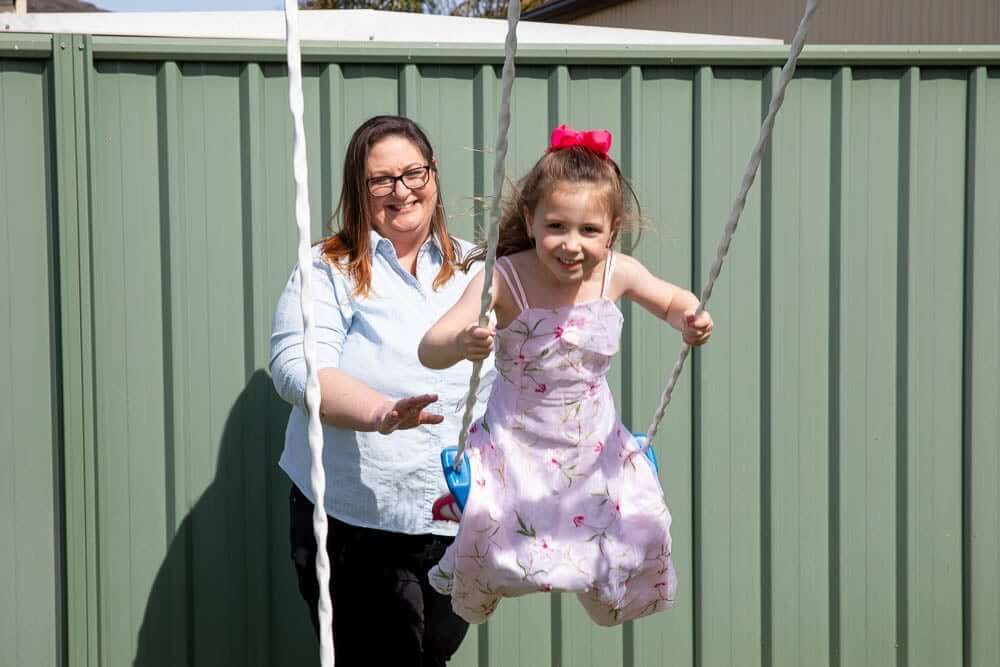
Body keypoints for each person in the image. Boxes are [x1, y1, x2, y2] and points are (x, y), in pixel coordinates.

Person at [417, 124, 713, 626]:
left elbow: (671, 299)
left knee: (639, 533)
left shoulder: (617, 271)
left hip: (593, 447)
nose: (571, 245)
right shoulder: (504, 277)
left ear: (611, 231)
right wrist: (464, 340)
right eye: (556, 226)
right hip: (518, 445)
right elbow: (430, 348)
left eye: (589, 231)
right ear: (531, 220)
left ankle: (606, 589)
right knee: (496, 550)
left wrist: (691, 317)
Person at [270, 115, 492, 665]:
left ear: (434, 175)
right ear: (359, 189)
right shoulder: (328, 267)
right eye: (381, 180)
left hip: (453, 514)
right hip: (356, 520)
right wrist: (382, 412)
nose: (402, 190)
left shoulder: (479, 268)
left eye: (414, 172)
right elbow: (297, 367)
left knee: (432, 653)